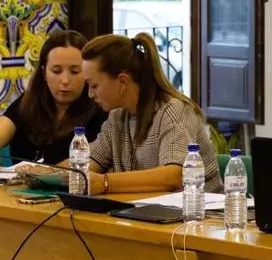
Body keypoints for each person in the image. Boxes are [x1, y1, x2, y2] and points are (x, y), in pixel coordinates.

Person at [80, 32, 222, 194]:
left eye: (94, 85)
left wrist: (105, 182)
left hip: (200, 208)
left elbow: (174, 176)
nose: (90, 94)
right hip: (145, 208)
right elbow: (87, 164)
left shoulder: (173, 111)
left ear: (123, 81)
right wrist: (58, 174)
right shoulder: (117, 116)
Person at [0, 30, 107, 170]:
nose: (65, 80)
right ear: (44, 73)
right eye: (56, 71)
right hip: (19, 183)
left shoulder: (101, 109)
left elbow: (95, 162)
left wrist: (44, 172)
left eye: (74, 72)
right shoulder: (28, 102)